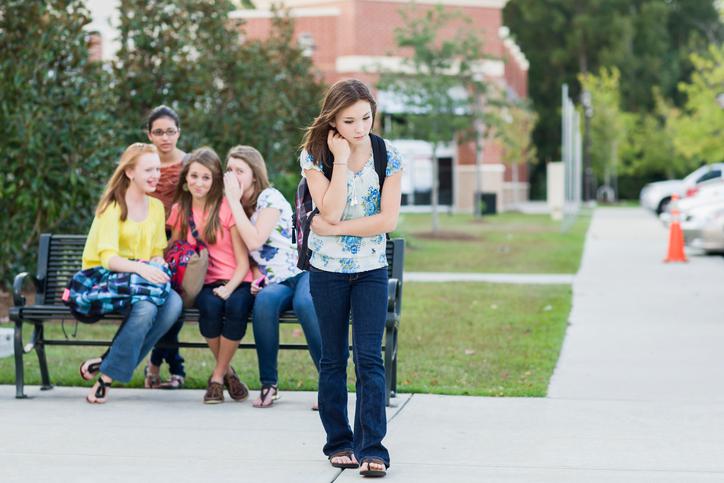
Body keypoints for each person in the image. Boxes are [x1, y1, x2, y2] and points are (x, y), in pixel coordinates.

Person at [300, 79, 403, 477]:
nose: (360, 128)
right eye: (349, 121)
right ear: (333, 121)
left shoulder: (387, 155)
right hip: (327, 272)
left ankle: (372, 447)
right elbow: (328, 209)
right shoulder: (315, 155)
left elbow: (387, 220)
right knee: (332, 358)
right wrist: (340, 160)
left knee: (368, 358)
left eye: (366, 118)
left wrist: (336, 229)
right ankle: (339, 443)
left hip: (371, 270)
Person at [79, 143, 183, 404]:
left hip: (139, 281)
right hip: (105, 281)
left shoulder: (156, 207)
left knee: (174, 303)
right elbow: (108, 259)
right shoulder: (112, 206)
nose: (155, 175)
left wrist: (157, 263)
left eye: (157, 169)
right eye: (148, 170)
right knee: (146, 308)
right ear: (129, 172)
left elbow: (157, 251)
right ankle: (106, 379)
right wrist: (143, 268)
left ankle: (106, 361)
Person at [223, 145, 322, 409]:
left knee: (305, 303)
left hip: (304, 270)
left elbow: (255, 240)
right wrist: (258, 275)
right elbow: (252, 255)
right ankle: (269, 385)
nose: (233, 176)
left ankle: (329, 383)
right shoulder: (237, 208)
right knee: (264, 302)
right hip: (277, 281)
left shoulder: (270, 197)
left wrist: (233, 202)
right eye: (229, 170)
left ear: (254, 174)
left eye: (240, 170)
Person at [167, 147, 253, 404]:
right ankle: (229, 373)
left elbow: (243, 262)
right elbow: (176, 249)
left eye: (206, 177)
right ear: (186, 178)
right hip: (203, 281)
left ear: (215, 180)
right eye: (194, 176)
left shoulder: (226, 208)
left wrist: (229, 288)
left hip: (237, 279)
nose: (199, 183)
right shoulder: (180, 210)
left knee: (236, 307)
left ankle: (216, 378)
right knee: (210, 308)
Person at [144, 105, 188, 389]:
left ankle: (157, 364)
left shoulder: (189, 163)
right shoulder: (143, 164)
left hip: (181, 243)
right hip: (148, 245)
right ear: (149, 135)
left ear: (178, 133)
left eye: (170, 131)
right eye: (158, 132)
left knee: (174, 302)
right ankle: (174, 367)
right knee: (162, 301)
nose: (165, 137)